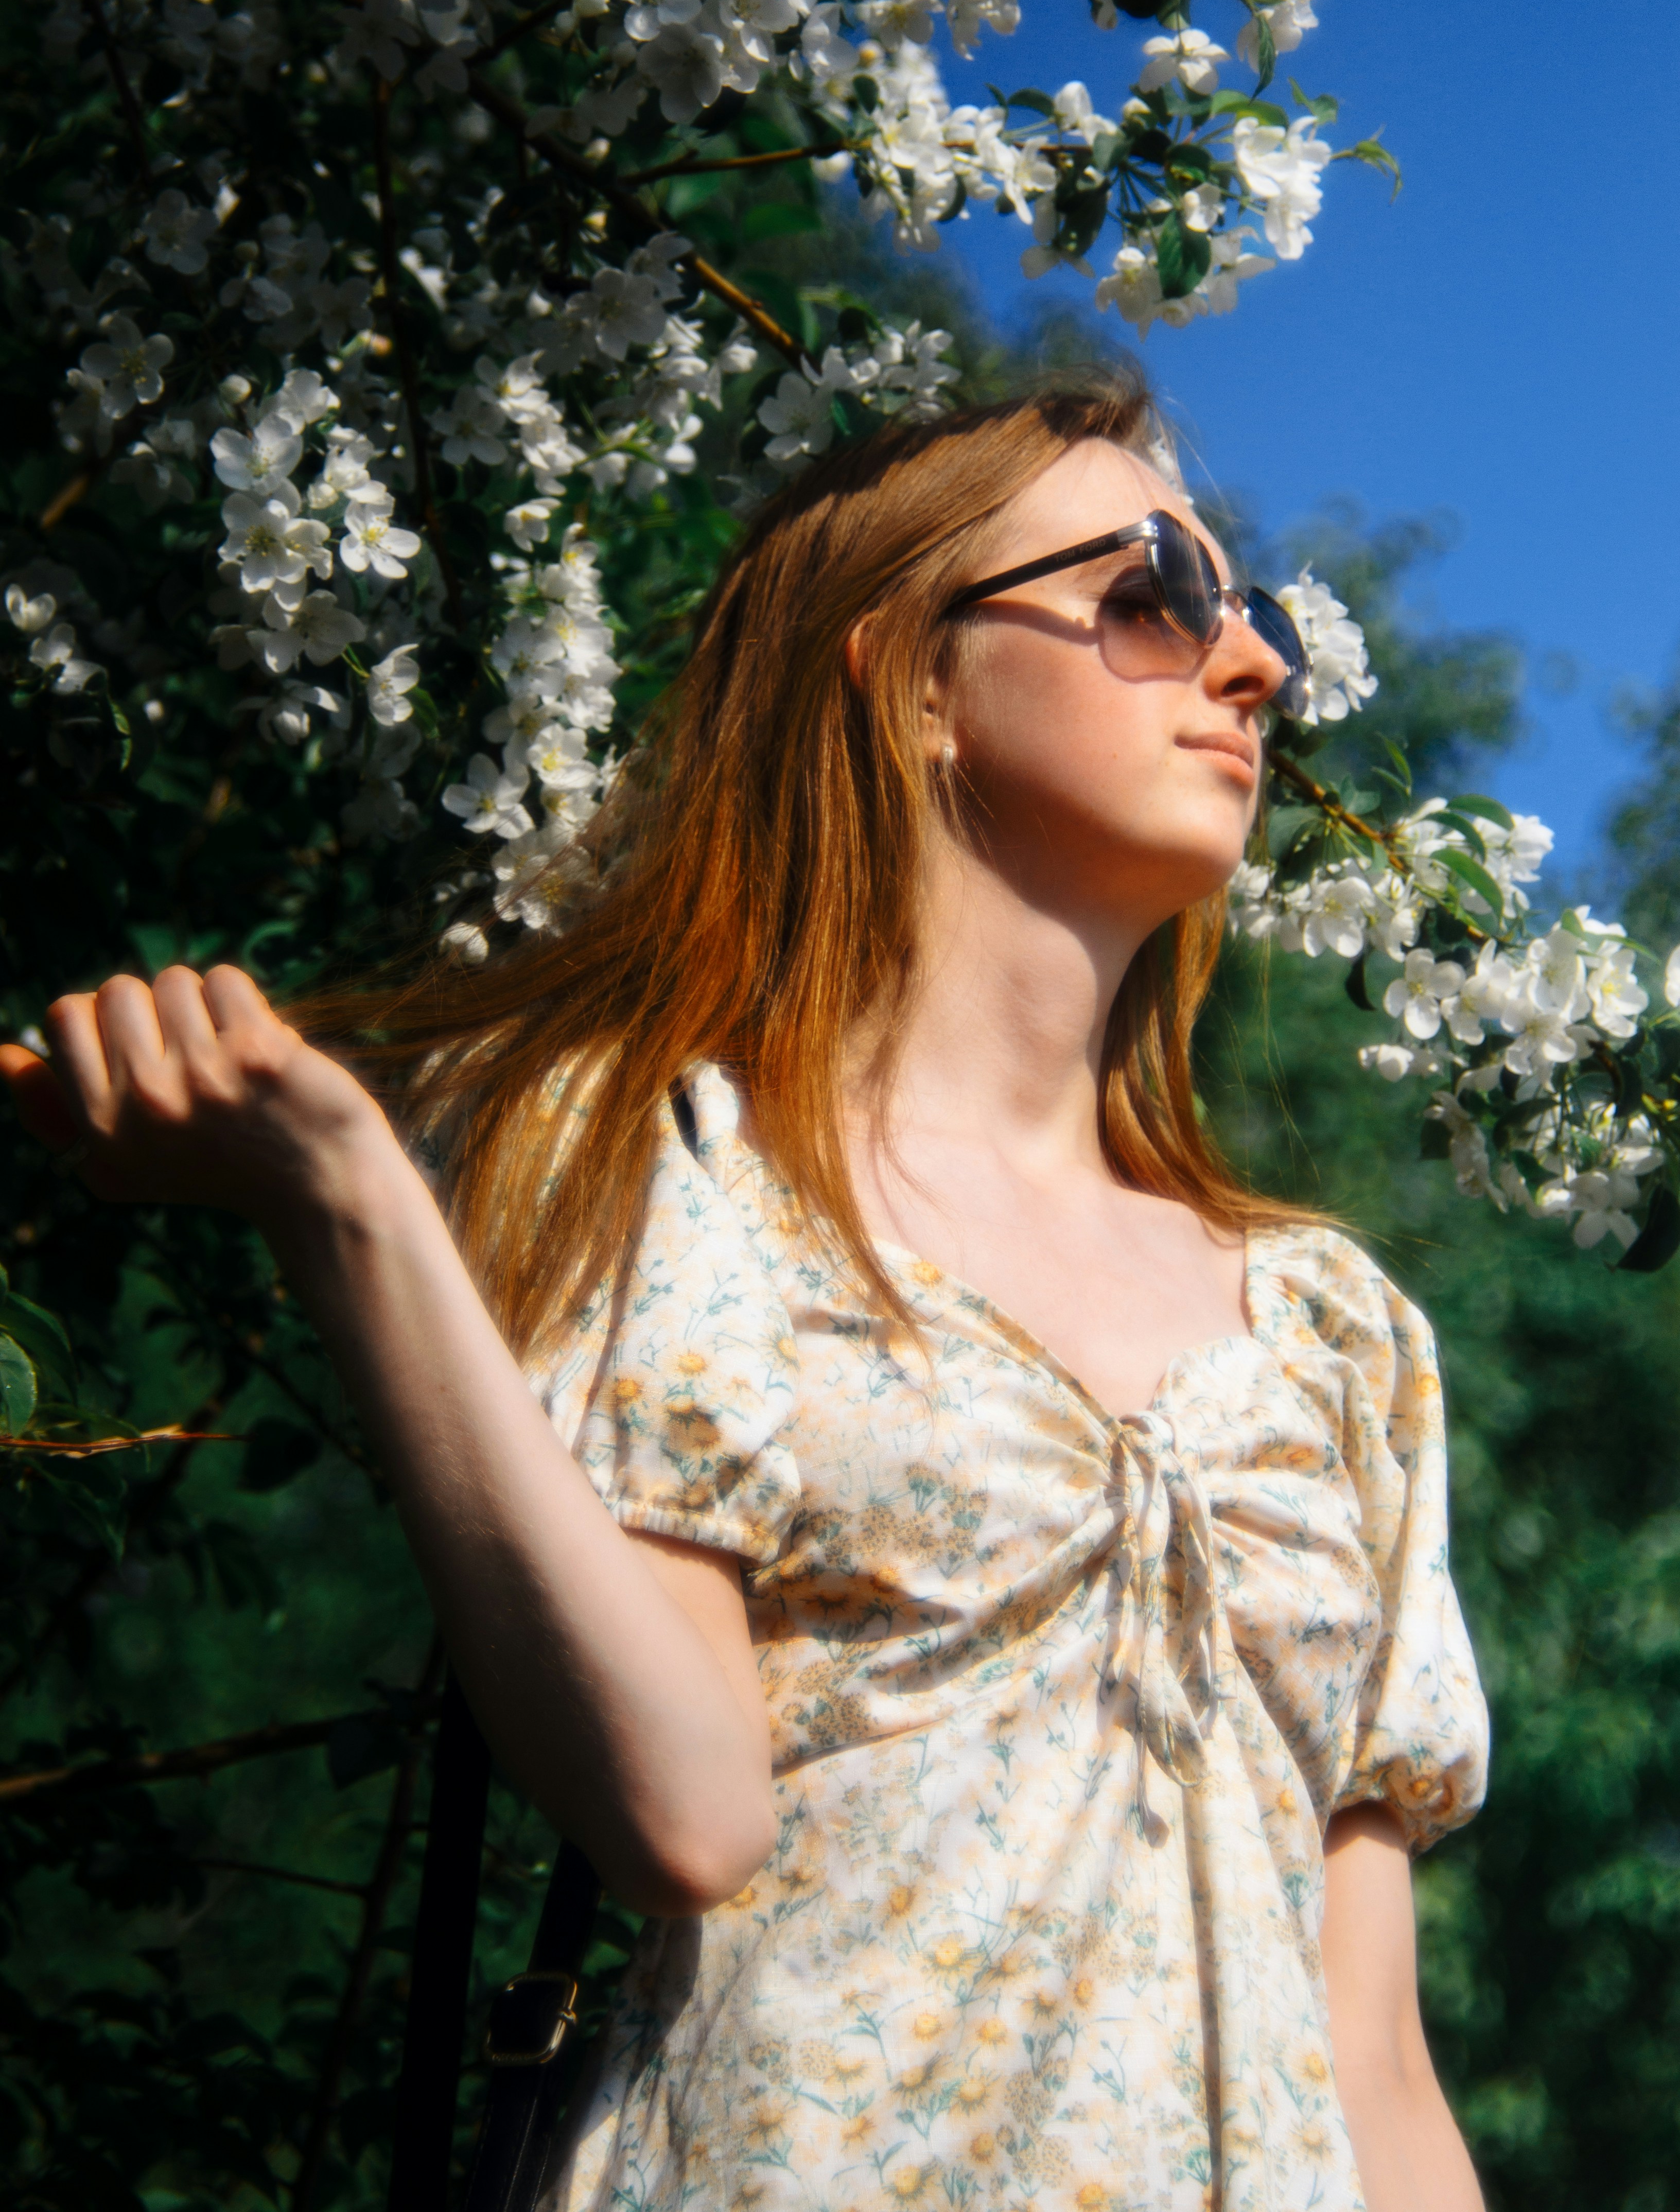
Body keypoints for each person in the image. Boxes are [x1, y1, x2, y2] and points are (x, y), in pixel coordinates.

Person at [2, 379, 1489, 2211]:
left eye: (1251, 610)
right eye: (1155, 590)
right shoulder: (679, 1160)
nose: (1248, 662)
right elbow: (684, 1812)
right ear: (907, 676)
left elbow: (1381, 2071)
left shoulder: (1339, 1337)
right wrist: (351, 1206)